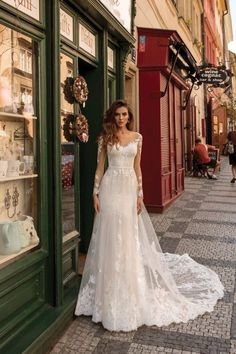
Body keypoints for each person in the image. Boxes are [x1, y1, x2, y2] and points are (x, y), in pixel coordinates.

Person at [75, 100, 224, 332]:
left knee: (128, 236)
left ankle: (130, 287)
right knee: (110, 236)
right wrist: (95, 194)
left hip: (128, 189)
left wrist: (140, 194)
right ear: (112, 117)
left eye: (125, 114)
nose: (121, 118)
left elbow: (138, 167)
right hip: (110, 188)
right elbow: (99, 167)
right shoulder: (106, 138)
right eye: (118, 114)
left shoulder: (137, 138)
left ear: (129, 116)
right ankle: (107, 292)